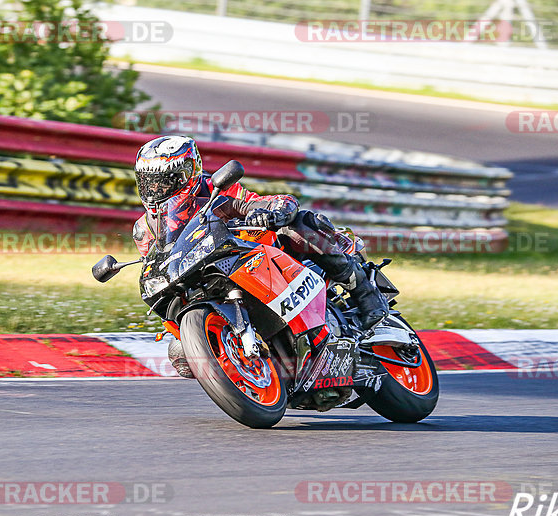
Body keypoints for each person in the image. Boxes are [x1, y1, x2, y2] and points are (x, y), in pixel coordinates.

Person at [131, 135, 389, 378]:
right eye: (149, 182)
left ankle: (366, 294)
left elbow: (256, 203)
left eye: (167, 179)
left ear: (189, 171)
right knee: (181, 354)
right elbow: (159, 264)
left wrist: (269, 211)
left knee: (298, 226)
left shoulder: (216, 188)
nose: (157, 188)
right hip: (209, 275)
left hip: (255, 251)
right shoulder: (145, 228)